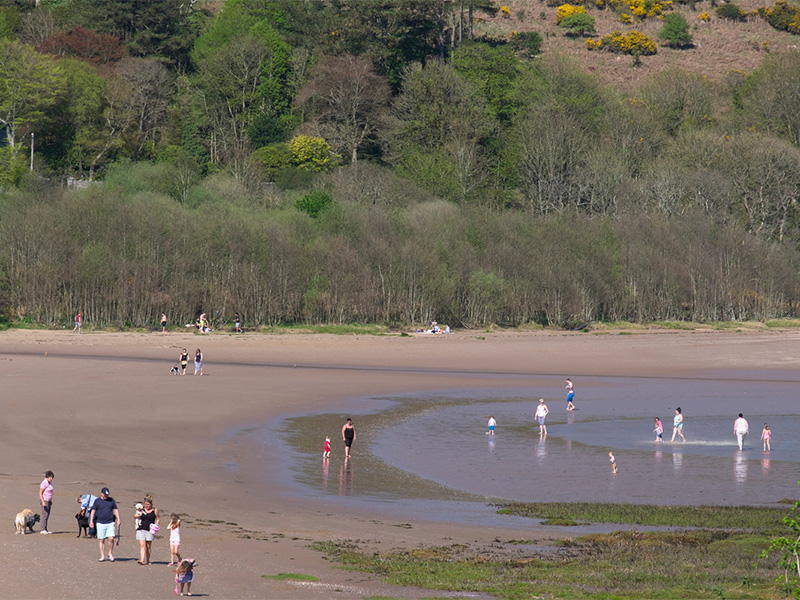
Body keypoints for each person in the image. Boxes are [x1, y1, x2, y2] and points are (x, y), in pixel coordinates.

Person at [89, 487, 120, 562]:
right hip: (100, 522)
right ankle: (102, 555)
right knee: (101, 539)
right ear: (101, 494)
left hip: (110, 522)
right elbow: (93, 511)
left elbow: (115, 509)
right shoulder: (97, 501)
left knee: (111, 538)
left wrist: (118, 519)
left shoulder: (111, 500)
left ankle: (110, 553)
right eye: (105, 494)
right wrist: (91, 521)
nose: (106, 496)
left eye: (107, 494)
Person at [136, 496, 160, 565]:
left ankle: (148, 560)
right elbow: (135, 515)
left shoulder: (155, 510)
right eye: (145, 504)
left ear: (151, 504)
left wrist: (156, 525)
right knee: (142, 544)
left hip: (150, 530)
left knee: (148, 546)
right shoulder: (141, 509)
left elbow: (158, 519)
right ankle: (142, 560)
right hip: (141, 529)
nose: (146, 506)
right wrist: (137, 516)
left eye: (148, 505)